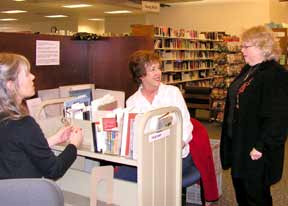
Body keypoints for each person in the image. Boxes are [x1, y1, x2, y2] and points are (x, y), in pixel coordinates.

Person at [220, 25, 288, 206]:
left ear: (262, 47)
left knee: (256, 195)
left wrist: (261, 146)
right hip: (239, 142)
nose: (241, 51)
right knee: (241, 190)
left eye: (246, 46)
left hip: (255, 149)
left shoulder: (275, 74)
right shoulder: (249, 69)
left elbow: (278, 117)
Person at [0, 52, 84, 180]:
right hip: (25, 197)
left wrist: (54, 140)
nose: (33, 77)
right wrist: (73, 145)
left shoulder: (7, 121)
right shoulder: (23, 124)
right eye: (27, 74)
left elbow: (16, 151)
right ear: (11, 85)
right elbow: (54, 170)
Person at [115, 50, 194, 182]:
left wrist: (176, 146)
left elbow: (186, 125)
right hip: (147, 158)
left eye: (159, 68)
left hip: (176, 156)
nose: (158, 73)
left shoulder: (172, 93)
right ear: (141, 75)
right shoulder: (132, 102)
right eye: (153, 69)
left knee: (154, 178)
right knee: (120, 177)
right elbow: (134, 136)